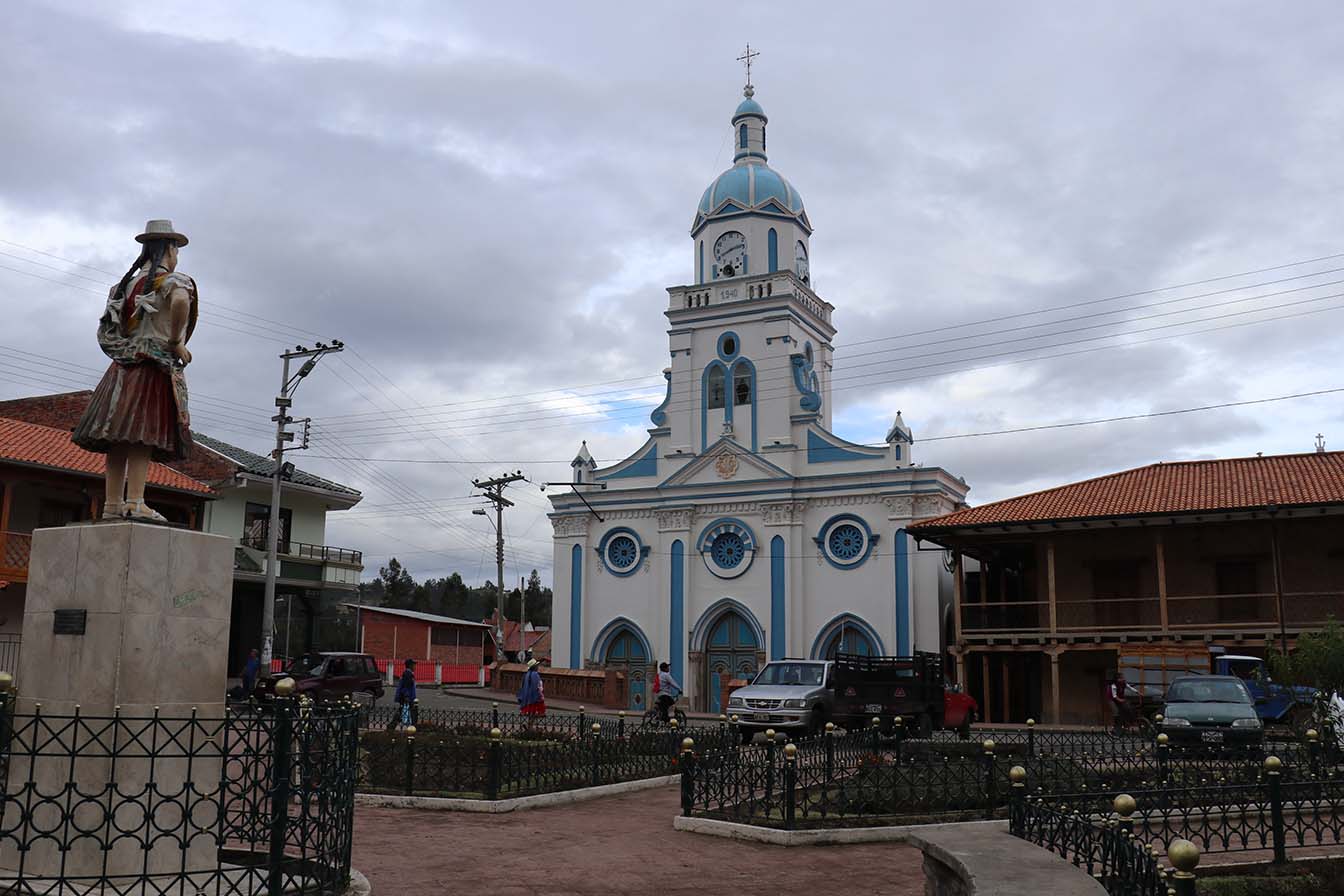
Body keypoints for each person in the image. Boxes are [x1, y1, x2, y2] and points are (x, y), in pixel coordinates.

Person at [72, 220, 197, 522]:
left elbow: (109, 328)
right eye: (176, 250)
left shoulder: (122, 286)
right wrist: (175, 342)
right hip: (151, 366)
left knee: (117, 439)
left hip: (121, 368)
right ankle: (136, 501)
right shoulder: (173, 281)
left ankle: (112, 504)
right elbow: (181, 301)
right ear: (169, 249)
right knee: (142, 435)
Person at [395, 658, 417, 728]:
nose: (415, 667)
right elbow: (406, 686)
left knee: (403, 711)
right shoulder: (408, 674)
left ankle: (397, 724)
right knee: (405, 711)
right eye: (414, 665)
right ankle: (408, 725)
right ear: (410, 665)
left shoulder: (408, 673)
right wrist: (407, 696)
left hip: (407, 697)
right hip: (407, 697)